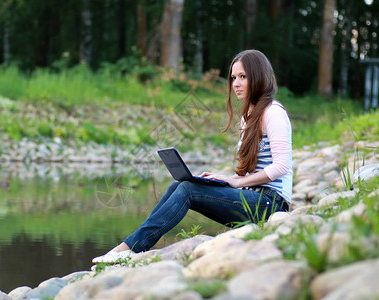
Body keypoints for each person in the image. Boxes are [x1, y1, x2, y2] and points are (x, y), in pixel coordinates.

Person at [92, 49, 293, 264]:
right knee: (179, 186)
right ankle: (132, 247)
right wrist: (222, 180)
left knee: (188, 190)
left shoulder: (273, 113)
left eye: (243, 77)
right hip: (251, 197)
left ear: (259, 76)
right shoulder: (248, 117)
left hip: (272, 204)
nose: (236, 83)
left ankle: (130, 248)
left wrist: (236, 182)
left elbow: (281, 166)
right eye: (233, 77)